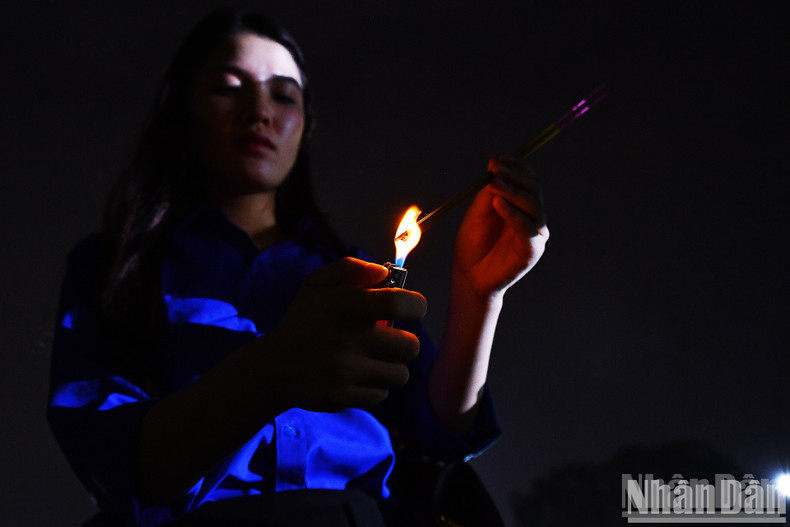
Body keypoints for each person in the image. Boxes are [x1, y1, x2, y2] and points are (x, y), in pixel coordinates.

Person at [47, 8, 548, 527]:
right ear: (181, 109)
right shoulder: (115, 268)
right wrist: (275, 366)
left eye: (283, 95)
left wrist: (478, 295)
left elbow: (436, 435)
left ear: (305, 124)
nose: (259, 111)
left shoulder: (346, 275)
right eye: (227, 88)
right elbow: (113, 460)